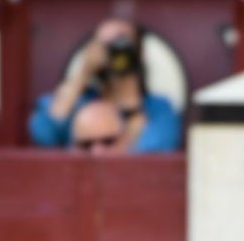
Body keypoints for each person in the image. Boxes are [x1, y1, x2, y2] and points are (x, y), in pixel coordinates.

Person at [29, 17, 182, 153]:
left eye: (124, 42)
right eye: (106, 45)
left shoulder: (159, 108)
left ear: (139, 52)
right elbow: (45, 135)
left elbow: (151, 155)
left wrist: (132, 104)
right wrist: (83, 73)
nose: (116, 51)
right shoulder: (80, 103)